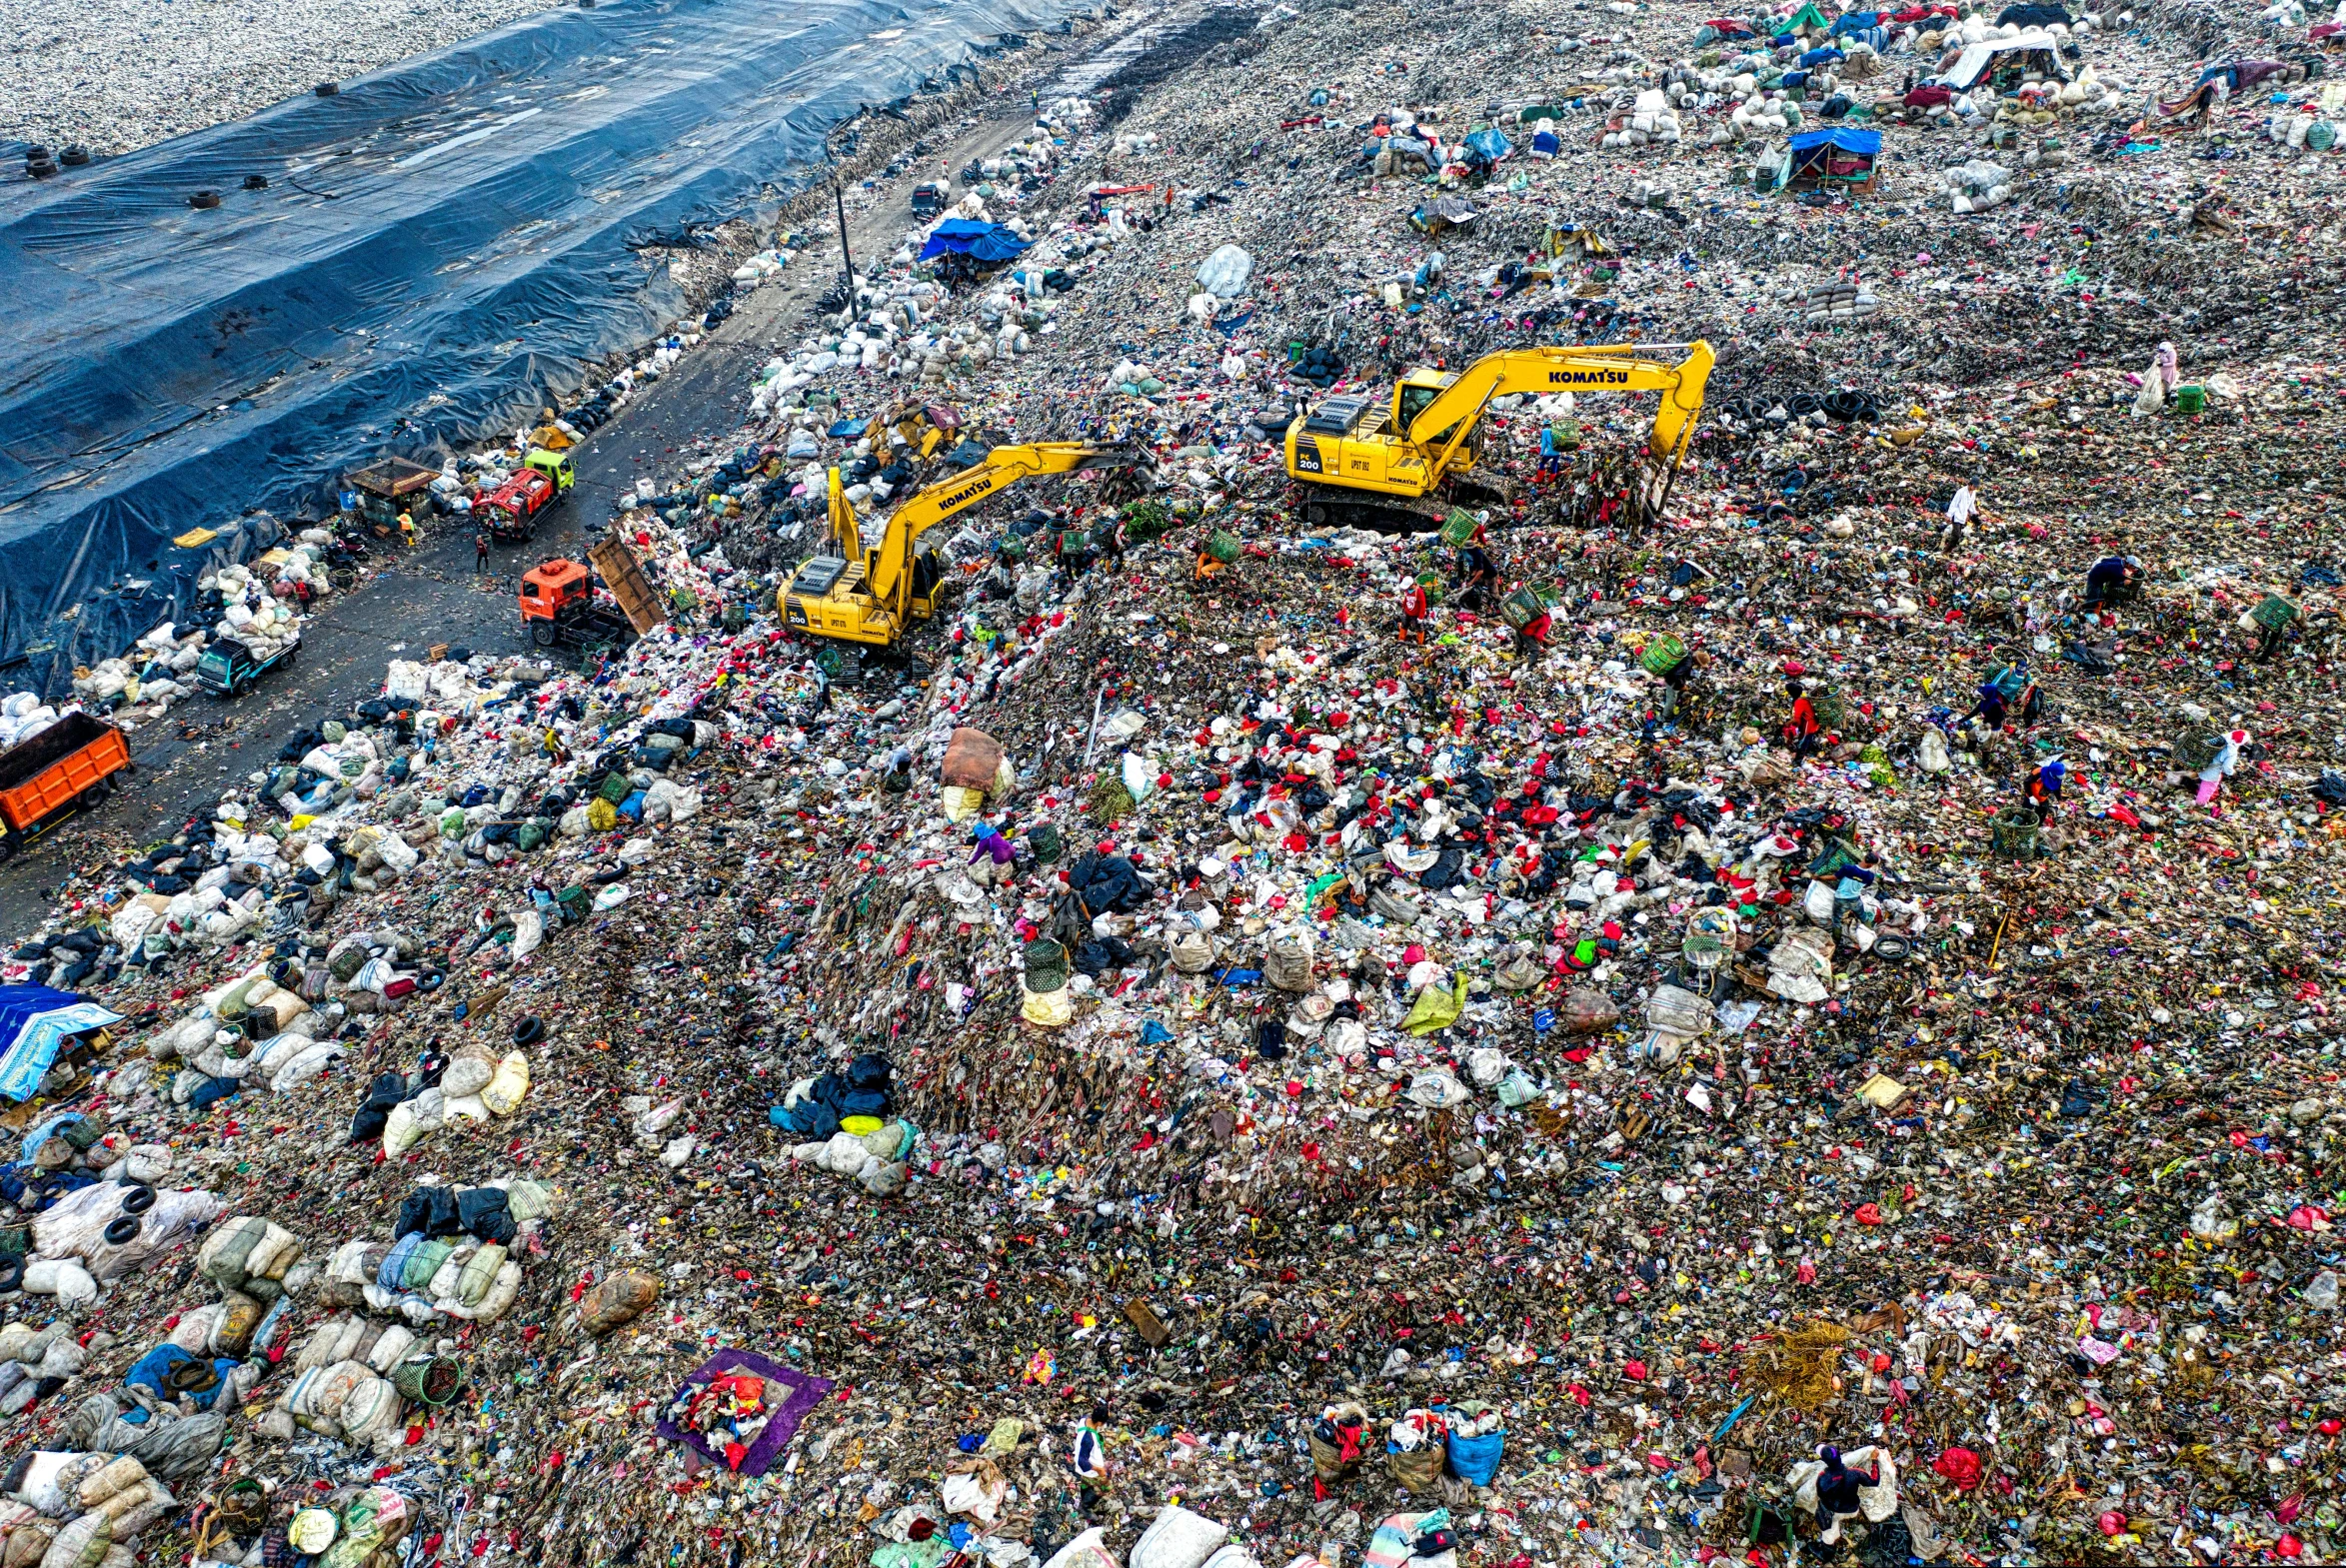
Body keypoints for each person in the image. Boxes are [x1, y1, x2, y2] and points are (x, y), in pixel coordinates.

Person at [1813, 1445, 1878, 1545]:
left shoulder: (1822, 1477)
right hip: (1852, 1509)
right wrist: (1874, 1460)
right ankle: (1849, 1524)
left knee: (1828, 1527)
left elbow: (1820, 1495)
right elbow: (1874, 1481)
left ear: (1824, 1461)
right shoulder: (1855, 1473)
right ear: (1840, 1455)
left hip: (1833, 1512)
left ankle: (1828, 1546)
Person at [1452, 544, 1499, 614]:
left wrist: (1471, 582)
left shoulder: (1478, 554)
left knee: (1494, 594)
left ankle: (1501, 607)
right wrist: (1472, 576)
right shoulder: (1474, 553)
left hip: (1490, 574)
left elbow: (1480, 571)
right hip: (1483, 574)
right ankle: (1477, 603)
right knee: (1476, 587)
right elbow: (1476, 568)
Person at [2026, 757, 2065, 824]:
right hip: (2031, 795)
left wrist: (2060, 800)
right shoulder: (2038, 772)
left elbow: (2057, 789)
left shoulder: (2057, 778)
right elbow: (2026, 783)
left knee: (2042, 813)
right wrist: (2031, 797)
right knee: (2026, 811)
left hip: (2043, 798)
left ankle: (2037, 826)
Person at [1942, 482, 1977, 553]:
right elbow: (1954, 503)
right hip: (1956, 515)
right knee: (1956, 535)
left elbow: (1971, 504)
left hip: (1963, 516)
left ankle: (1949, 549)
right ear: (1970, 484)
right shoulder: (1961, 492)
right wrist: (1949, 515)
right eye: (1974, 486)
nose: (1975, 488)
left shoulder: (1973, 493)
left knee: (1956, 535)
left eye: (1976, 487)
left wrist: (1974, 512)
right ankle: (1945, 551)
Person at [1398, 576, 1431, 645]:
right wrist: (1404, 607)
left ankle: (1420, 643)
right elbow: (1406, 599)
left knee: (1419, 628)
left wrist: (1421, 617)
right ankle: (1401, 639)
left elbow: (1423, 605)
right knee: (1404, 625)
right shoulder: (1407, 591)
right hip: (1407, 612)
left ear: (1411, 585)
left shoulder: (1419, 592)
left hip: (1416, 615)